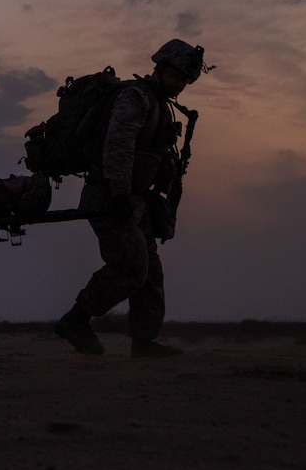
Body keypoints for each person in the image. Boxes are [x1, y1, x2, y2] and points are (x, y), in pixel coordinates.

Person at [54, 39, 210, 359]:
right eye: (177, 76)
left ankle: (144, 341)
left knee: (150, 271)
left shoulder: (159, 103)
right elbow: (119, 145)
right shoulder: (135, 97)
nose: (180, 84)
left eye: (185, 80)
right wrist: (119, 193)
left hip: (136, 200)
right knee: (130, 267)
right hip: (111, 197)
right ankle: (76, 320)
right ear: (161, 68)